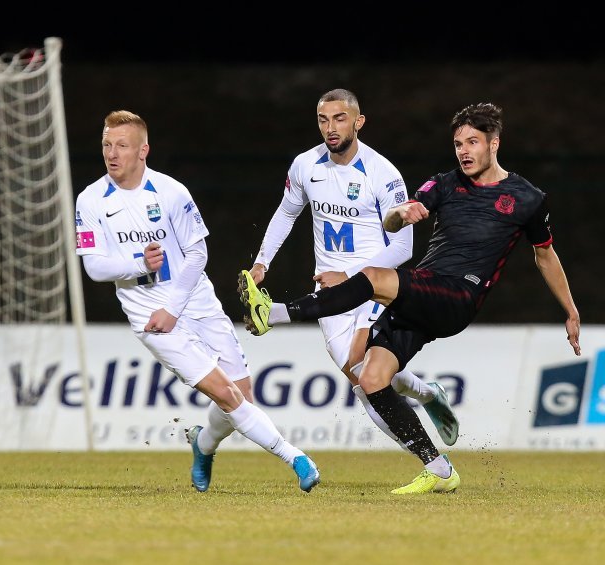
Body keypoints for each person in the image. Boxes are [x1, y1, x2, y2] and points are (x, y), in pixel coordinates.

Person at [239, 102, 581, 494]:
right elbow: (393, 221)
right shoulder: (445, 184)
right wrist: (402, 214)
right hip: (424, 292)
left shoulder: (527, 198)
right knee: (370, 379)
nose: (464, 151)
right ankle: (438, 468)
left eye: (472, 142)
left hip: (459, 295)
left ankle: (279, 312)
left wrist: (570, 311)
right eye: (457, 144)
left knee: (370, 278)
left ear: (494, 144)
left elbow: (545, 255)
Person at [76, 109, 320, 493]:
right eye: (107, 144)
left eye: (121, 145)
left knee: (242, 396)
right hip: (149, 316)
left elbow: (197, 254)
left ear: (143, 150)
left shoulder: (172, 192)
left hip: (194, 301)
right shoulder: (90, 200)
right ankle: (297, 458)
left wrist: (174, 307)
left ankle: (202, 444)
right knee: (226, 393)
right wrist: (136, 264)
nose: (112, 153)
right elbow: (93, 267)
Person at [243, 88, 459, 451]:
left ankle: (434, 464)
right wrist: (262, 261)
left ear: (358, 122)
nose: (331, 127)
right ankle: (427, 393)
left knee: (365, 367)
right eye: (323, 120)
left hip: (374, 284)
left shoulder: (383, 174)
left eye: (340, 119)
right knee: (361, 382)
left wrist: (351, 276)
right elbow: (286, 212)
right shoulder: (305, 166)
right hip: (330, 293)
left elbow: (403, 247)